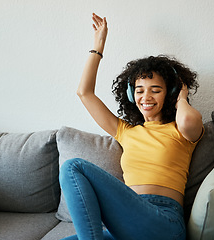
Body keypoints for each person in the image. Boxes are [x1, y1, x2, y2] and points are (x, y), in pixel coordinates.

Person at [59, 13, 204, 240]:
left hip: (164, 221)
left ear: (170, 94)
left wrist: (182, 96)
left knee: (73, 166)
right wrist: (98, 46)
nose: (146, 97)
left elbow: (187, 120)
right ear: (130, 95)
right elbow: (84, 93)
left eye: (155, 90)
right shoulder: (126, 131)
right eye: (139, 90)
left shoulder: (181, 130)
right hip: (127, 224)